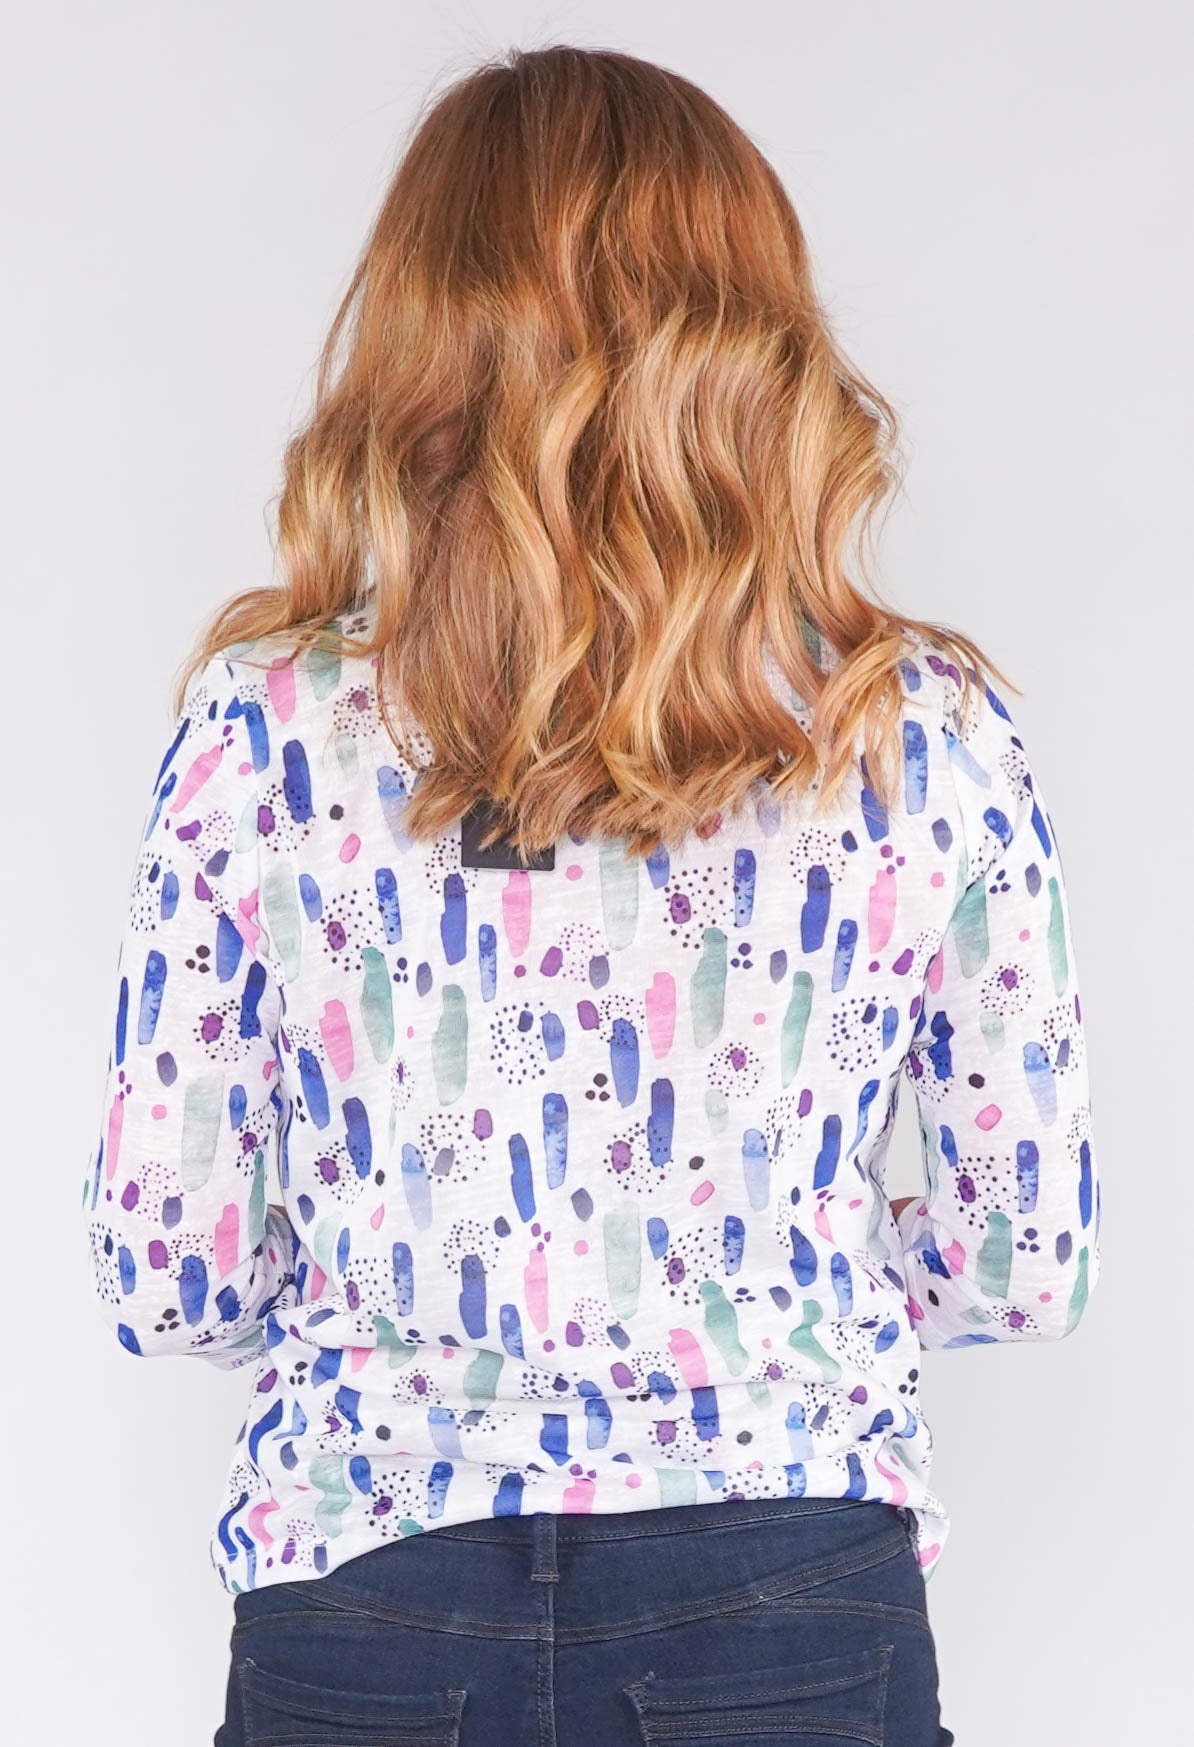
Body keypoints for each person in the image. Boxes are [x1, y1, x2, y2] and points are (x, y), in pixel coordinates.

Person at [82, 43, 1100, 1747]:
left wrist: (404, 1282)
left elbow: (168, 1274)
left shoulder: (262, 730)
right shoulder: (915, 730)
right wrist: (765, 1302)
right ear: (755, 341)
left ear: (424, 336)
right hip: (790, 1584)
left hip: (368, 1586)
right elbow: (1024, 1259)